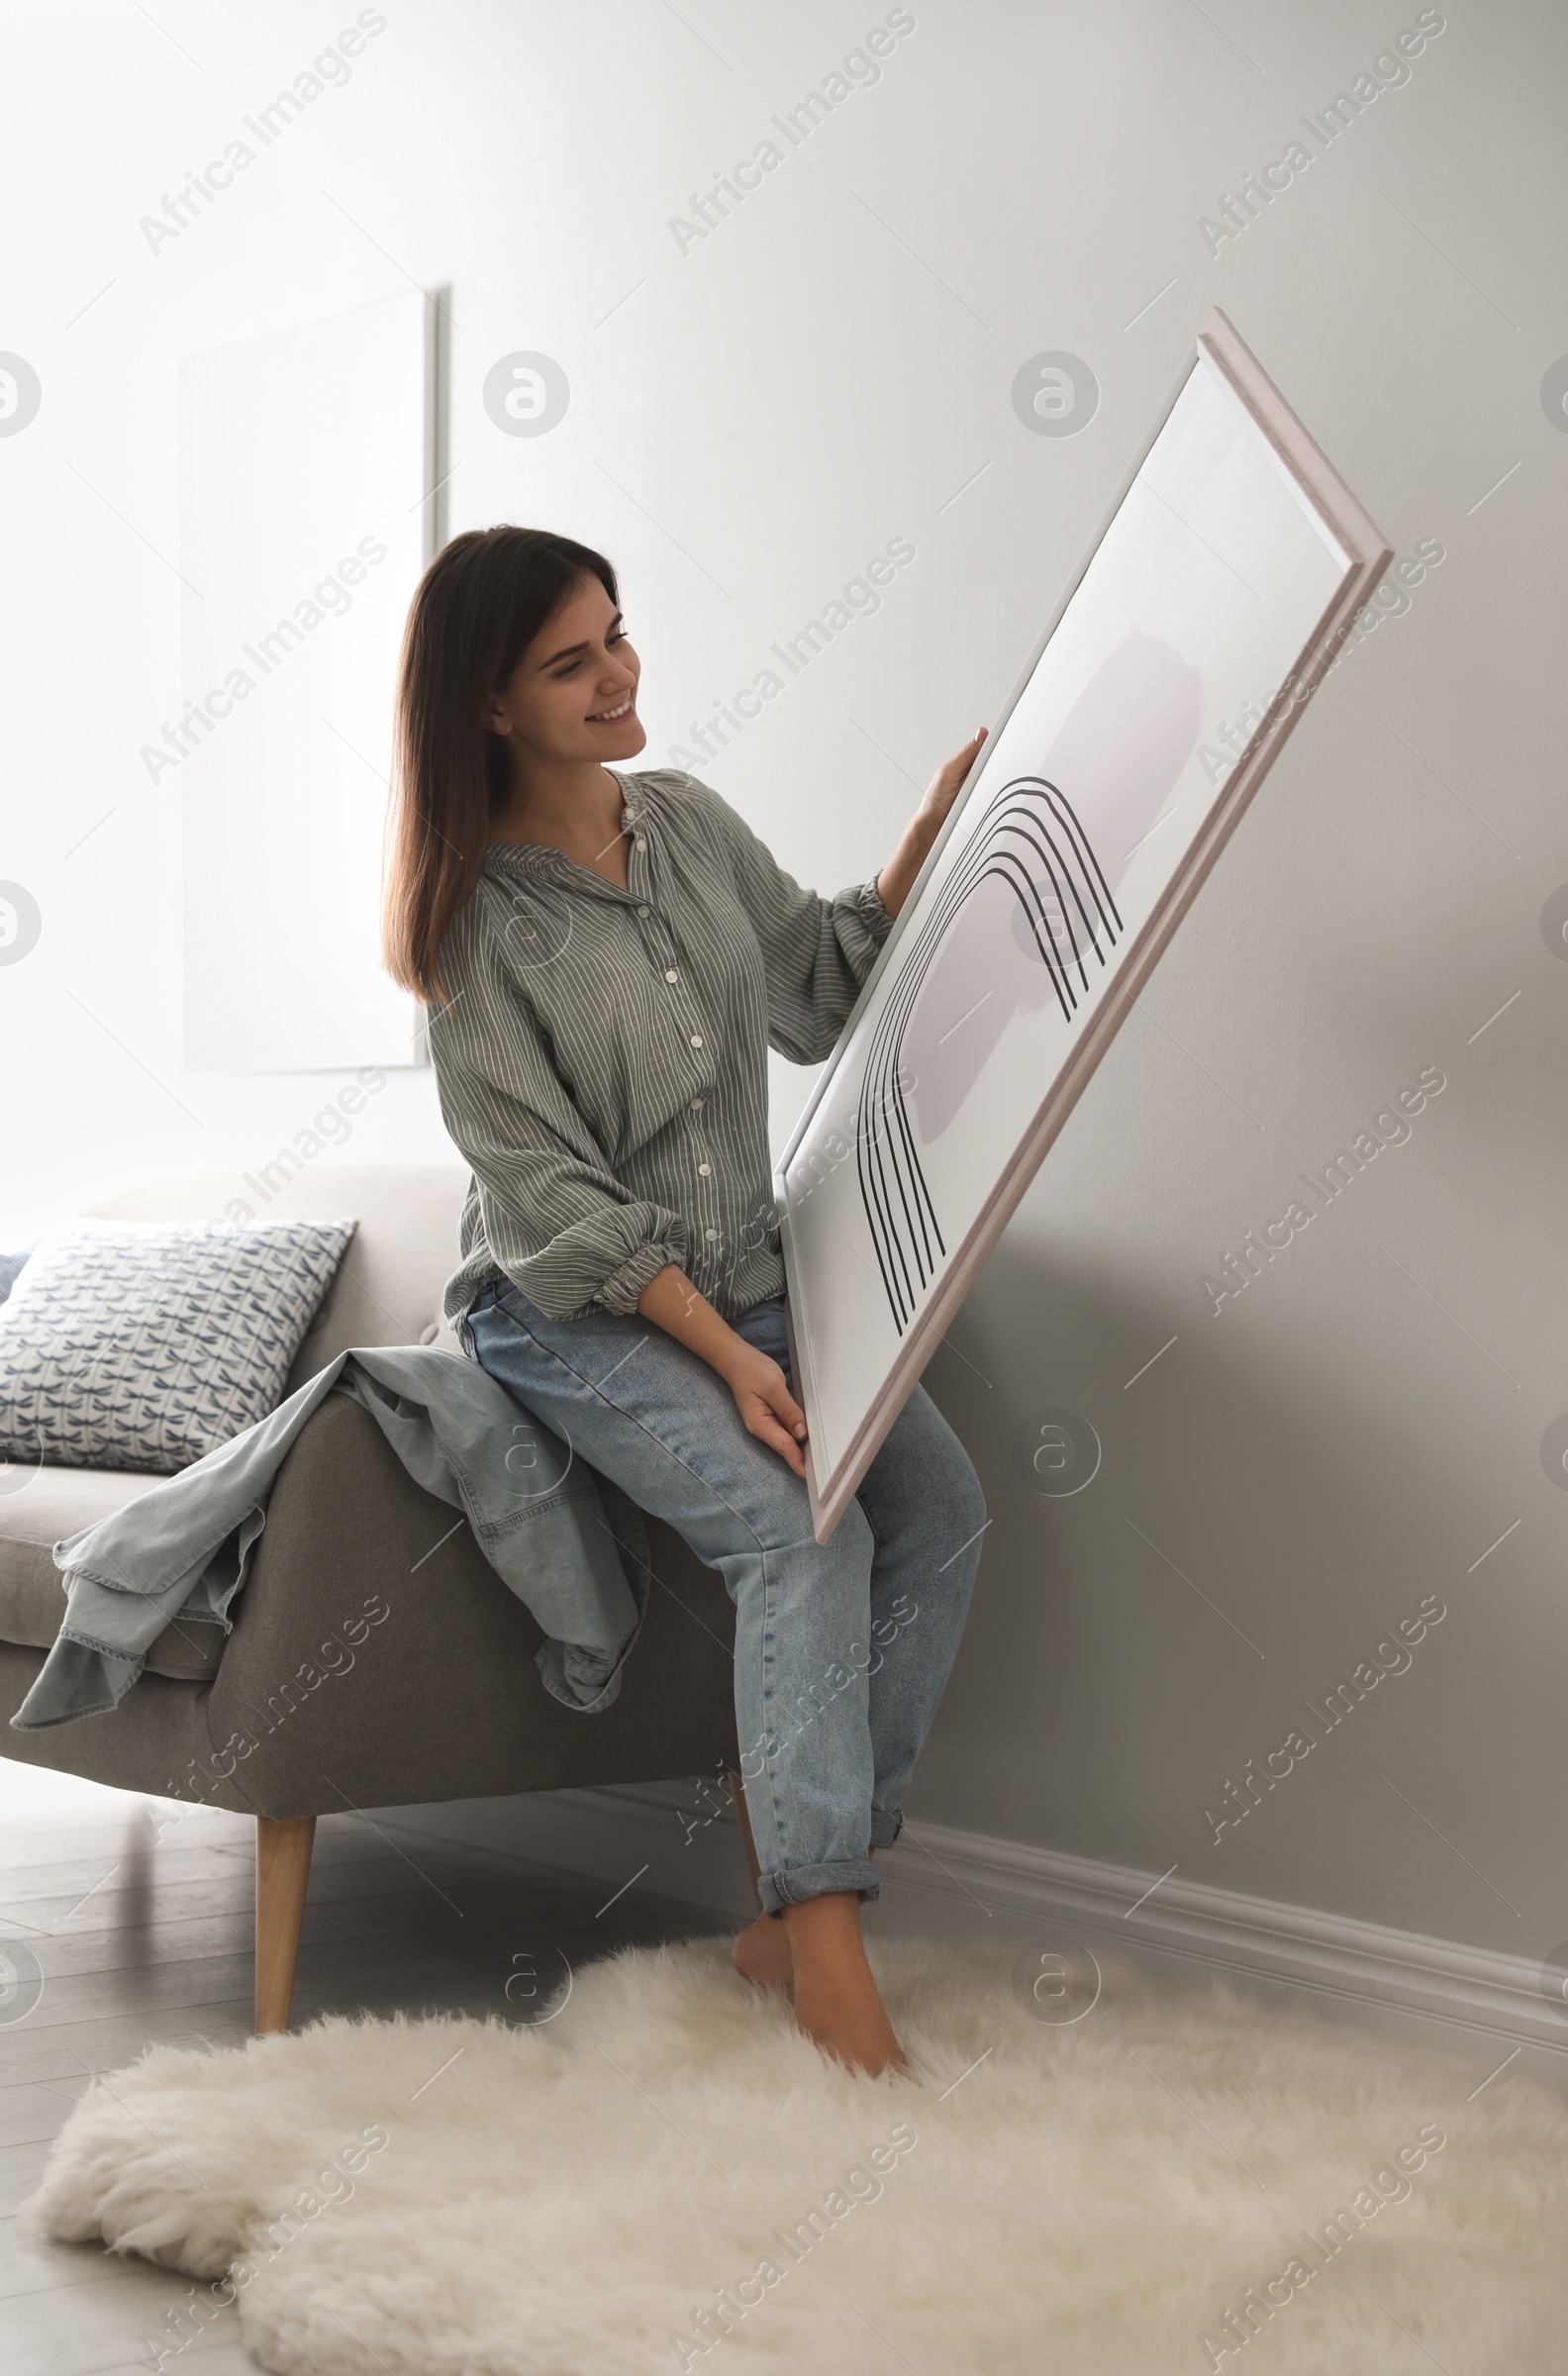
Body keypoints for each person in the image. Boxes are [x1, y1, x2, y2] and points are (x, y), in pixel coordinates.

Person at [381, 524, 988, 2076]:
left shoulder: (693, 822)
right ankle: (829, 1939)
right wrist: (725, 1356)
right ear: (492, 708)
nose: (619, 673)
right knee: (801, 1530)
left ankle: (796, 1912)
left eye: (619, 634)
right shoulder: (473, 933)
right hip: (575, 1311)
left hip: (748, 1276)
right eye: (569, 661)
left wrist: (920, 848)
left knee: (941, 1509)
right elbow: (553, 1207)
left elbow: (814, 988)